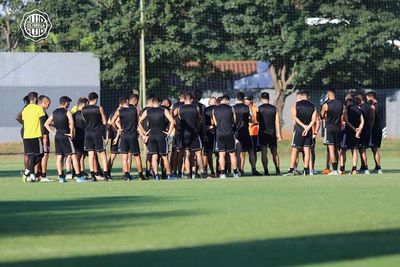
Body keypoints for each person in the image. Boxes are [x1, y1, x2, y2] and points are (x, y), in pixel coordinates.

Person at [44, 96, 86, 183]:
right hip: (65, 136)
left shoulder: (54, 112)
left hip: (57, 136)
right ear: (66, 103)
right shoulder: (67, 112)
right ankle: (78, 177)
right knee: (73, 155)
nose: (69, 105)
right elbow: (71, 123)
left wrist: (53, 133)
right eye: (69, 103)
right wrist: (71, 133)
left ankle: (61, 177)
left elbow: (46, 124)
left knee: (60, 156)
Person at [138, 97, 175, 180]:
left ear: (152, 102)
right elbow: (172, 121)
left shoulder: (147, 111)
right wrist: (169, 132)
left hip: (151, 135)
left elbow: (139, 122)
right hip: (161, 135)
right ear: (159, 103)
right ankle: (169, 175)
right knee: (164, 156)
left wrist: (144, 132)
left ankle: (156, 175)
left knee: (154, 156)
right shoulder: (164, 110)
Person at [110, 97, 145, 180]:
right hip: (133, 135)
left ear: (120, 104)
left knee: (124, 156)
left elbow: (112, 122)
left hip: (124, 136)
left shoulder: (119, 111)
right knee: (137, 156)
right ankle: (141, 175)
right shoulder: (135, 110)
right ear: (127, 101)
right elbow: (139, 121)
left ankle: (126, 175)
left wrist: (118, 129)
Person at [286, 90, 317, 176]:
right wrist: (307, 128)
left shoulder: (296, 105)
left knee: (295, 150)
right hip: (309, 130)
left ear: (301, 96)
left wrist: (303, 126)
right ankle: (306, 169)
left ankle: (291, 169)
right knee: (307, 150)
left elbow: (294, 117)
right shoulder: (313, 106)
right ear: (308, 96)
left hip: (299, 129)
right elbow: (314, 120)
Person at [82, 92, 110, 181]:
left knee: (91, 154)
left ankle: (93, 175)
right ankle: (105, 174)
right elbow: (105, 121)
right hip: (97, 133)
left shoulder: (83, 109)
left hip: (88, 133)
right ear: (96, 99)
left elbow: (84, 120)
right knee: (102, 153)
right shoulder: (99, 108)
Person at [178, 92, 205, 178]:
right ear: (192, 99)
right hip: (194, 133)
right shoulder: (196, 108)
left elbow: (178, 118)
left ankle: (188, 173)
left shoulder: (180, 108)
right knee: (198, 154)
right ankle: (202, 172)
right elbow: (200, 119)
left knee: (187, 154)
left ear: (184, 99)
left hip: (184, 134)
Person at [212, 95, 239, 178]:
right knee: (232, 154)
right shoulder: (231, 108)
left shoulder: (214, 109)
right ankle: (235, 173)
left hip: (219, 133)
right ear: (226, 100)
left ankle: (223, 173)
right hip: (229, 133)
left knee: (221, 154)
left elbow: (215, 123)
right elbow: (234, 121)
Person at [21, 92, 45, 182]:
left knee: (32, 155)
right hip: (35, 135)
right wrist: (45, 135)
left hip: (26, 136)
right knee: (41, 154)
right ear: (35, 99)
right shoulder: (39, 108)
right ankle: (30, 173)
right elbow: (42, 123)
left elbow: (23, 123)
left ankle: (29, 173)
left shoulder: (25, 109)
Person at [233, 92, 259, 176]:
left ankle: (240, 170)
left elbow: (232, 120)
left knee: (238, 152)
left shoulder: (233, 108)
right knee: (251, 151)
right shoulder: (247, 108)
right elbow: (252, 119)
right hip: (246, 131)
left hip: (236, 132)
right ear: (243, 98)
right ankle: (254, 169)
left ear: (236, 98)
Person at [257, 92, 282, 176]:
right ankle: (278, 170)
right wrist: (278, 134)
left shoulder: (259, 108)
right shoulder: (274, 108)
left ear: (261, 98)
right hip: (272, 133)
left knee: (264, 152)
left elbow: (258, 120)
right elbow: (277, 122)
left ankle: (266, 171)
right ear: (269, 98)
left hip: (263, 133)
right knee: (274, 152)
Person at [320, 88, 344, 176]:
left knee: (331, 150)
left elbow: (322, 116)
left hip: (329, 128)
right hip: (338, 128)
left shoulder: (326, 105)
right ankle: (337, 169)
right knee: (336, 149)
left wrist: (325, 114)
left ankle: (333, 171)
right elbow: (343, 115)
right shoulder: (341, 104)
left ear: (329, 94)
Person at [340, 95, 364, 174]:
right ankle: (354, 169)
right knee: (354, 149)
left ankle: (342, 169)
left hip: (347, 132)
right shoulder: (358, 108)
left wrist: (354, 129)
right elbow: (362, 121)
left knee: (343, 150)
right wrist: (359, 130)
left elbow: (346, 121)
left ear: (347, 100)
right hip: (355, 133)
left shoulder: (346, 109)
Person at [366, 91, 383, 174]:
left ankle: (378, 168)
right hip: (379, 129)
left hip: (374, 130)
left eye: (367, 99)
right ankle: (377, 167)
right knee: (374, 149)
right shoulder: (380, 105)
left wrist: (370, 128)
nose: (367, 100)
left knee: (375, 149)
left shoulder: (373, 106)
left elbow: (372, 119)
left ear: (371, 97)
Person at [72, 97, 89, 177]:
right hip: (81, 137)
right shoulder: (84, 114)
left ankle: (81, 171)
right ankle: (76, 172)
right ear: (84, 104)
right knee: (78, 156)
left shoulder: (73, 115)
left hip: (77, 137)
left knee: (82, 155)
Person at [37, 95, 52, 181]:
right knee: (45, 155)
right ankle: (43, 176)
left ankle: (36, 174)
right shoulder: (41, 111)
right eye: (48, 104)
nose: (48, 106)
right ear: (44, 103)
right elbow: (43, 125)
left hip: (35, 136)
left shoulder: (35, 110)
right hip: (42, 136)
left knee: (37, 156)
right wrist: (45, 137)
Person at [357, 93, 372, 174]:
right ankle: (363, 166)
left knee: (362, 150)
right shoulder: (369, 107)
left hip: (362, 130)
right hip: (368, 130)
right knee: (362, 149)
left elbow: (360, 120)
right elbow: (371, 118)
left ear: (360, 99)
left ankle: (365, 167)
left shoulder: (360, 108)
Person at [203, 97, 217, 177]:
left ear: (209, 102)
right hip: (217, 132)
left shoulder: (205, 110)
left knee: (207, 153)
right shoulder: (218, 109)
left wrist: (204, 133)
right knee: (220, 154)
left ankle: (209, 171)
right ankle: (220, 171)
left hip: (208, 134)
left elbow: (203, 122)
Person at [245, 95, 259, 169]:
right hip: (245, 132)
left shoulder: (255, 108)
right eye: (245, 100)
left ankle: (254, 168)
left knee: (253, 152)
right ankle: (241, 170)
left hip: (254, 133)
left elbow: (258, 121)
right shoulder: (243, 109)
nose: (246, 101)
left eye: (247, 100)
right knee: (242, 153)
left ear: (251, 101)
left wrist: (253, 121)